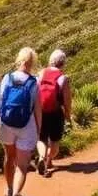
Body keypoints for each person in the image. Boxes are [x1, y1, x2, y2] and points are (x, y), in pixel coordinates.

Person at [0, 47, 41, 196]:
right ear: (32, 63)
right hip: (26, 126)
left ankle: (8, 189)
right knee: (22, 167)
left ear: (18, 60)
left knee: (9, 157)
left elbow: (1, 101)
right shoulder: (34, 83)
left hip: (7, 124)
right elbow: (37, 110)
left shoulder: (7, 78)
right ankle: (16, 195)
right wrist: (38, 131)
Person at [36, 49, 72, 177]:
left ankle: (41, 157)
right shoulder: (63, 78)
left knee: (42, 138)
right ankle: (48, 159)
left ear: (50, 61)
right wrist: (68, 115)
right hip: (56, 114)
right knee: (55, 143)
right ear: (63, 63)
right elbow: (67, 101)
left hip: (41, 112)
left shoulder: (40, 74)